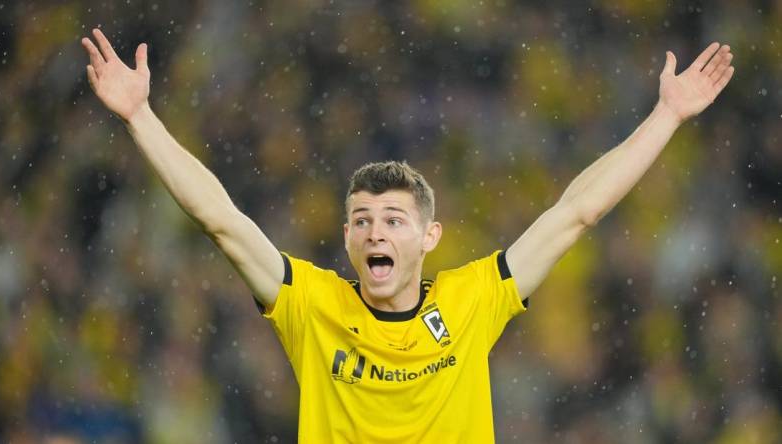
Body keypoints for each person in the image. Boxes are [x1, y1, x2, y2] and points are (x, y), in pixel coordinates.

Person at [81, 28, 734, 442]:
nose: (375, 233)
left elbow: (577, 211)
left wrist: (668, 115)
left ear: (429, 237)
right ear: (346, 237)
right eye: (362, 221)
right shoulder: (312, 307)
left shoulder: (472, 299)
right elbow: (220, 218)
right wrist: (140, 116)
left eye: (393, 221)